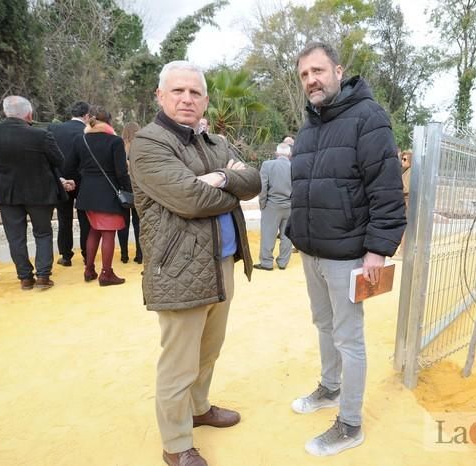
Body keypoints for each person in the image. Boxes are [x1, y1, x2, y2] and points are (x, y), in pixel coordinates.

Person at [129, 60, 260, 466]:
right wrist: (230, 184)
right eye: (178, 91)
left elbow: (253, 181)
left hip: (221, 262)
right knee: (179, 362)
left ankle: (199, 408)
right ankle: (176, 443)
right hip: (179, 268)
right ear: (160, 95)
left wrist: (219, 179)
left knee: (209, 350)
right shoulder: (150, 143)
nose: (187, 98)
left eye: (195, 92)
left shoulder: (213, 141)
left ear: (205, 99)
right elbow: (188, 199)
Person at [287, 42, 406, 456]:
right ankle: (330, 387)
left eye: (317, 71)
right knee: (323, 324)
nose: (311, 81)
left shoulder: (368, 117)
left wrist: (378, 250)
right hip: (313, 252)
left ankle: (350, 424)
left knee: (348, 337)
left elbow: (387, 190)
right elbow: (304, 187)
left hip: (349, 254)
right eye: (304, 75)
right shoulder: (309, 125)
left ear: (338, 70)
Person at [0, 96, 74, 289]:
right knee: (42, 233)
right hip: (40, 191)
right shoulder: (40, 135)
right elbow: (59, 160)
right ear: (29, 114)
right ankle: (43, 276)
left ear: (5, 112)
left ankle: (25, 278)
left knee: (15, 236)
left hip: (6, 192)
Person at [71, 106, 130, 286]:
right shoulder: (114, 141)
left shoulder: (80, 140)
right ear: (109, 122)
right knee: (108, 233)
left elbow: (71, 166)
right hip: (108, 193)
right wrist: (128, 190)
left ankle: (89, 270)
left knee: (94, 231)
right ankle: (106, 273)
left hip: (87, 193)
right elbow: (121, 172)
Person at [48, 101, 91, 266]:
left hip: (61, 180)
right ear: (86, 115)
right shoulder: (86, 131)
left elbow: (50, 155)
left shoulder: (54, 129)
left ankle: (66, 255)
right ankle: (88, 254)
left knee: (63, 219)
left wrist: (60, 177)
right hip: (83, 181)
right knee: (85, 219)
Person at [254, 142, 292, 271]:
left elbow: (262, 188)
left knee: (268, 234)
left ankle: (267, 262)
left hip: (272, 205)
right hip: (290, 205)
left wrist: (262, 204)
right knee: (287, 235)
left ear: (276, 153)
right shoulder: (295, 166)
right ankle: (283, 262)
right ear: (290, 155)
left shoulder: (267, 165)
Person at [117, 121, 142, 264]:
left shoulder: (119, 146)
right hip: (139, 188)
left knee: (123, 223)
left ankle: (124, 254)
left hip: (124, 189)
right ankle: (140, 255)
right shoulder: (142, 146)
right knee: (138, 223)